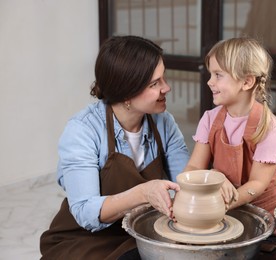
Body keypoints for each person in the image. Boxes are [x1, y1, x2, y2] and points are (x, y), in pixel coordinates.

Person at [40, 35, 190, 259]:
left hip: (143, 230)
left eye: (163, 78)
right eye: (154, 83)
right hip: (86, 239)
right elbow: (85, 212)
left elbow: (184, 184)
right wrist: (144, 193)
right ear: (127, 92)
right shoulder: (83, 130)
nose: (166, 88)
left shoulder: (164, 122)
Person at [184, 37, 276, 215]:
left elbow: (257, 184)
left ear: (247, 82)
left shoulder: (268, 128)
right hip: (225, 209)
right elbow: (193, 168)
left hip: (262, 215)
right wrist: (214, 176)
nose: (209, 81)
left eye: (218, 75)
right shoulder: (209, 119)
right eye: (210, 74)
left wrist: (219, 206)